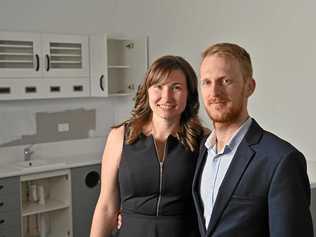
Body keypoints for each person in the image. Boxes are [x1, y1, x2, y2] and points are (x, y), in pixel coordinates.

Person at [192, 42, 314, 237]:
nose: (214, 92)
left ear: (249, 86)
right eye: (207, 82)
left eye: (225, 81)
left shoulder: (281, 160)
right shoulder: (201, 151)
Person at [90, 55, 204, 237]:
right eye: (158, 86)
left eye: (176, 87)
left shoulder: (204, 140)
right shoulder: (119, 136)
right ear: (147, 91)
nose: (166, 97)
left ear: (189, 94)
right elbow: (106, 206)